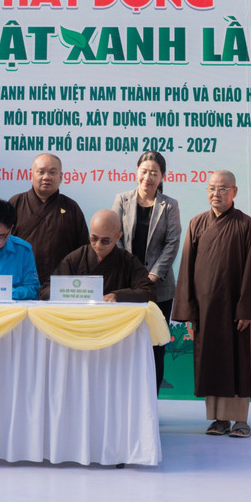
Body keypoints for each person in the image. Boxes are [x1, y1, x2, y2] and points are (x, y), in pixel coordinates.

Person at [172, 170, 251, 438]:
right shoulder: (197, 223)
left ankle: (241, 421)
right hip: (206, 311)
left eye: (223, 188)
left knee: (239, 362)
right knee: (211, 363)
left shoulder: (245, 225)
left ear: (234, 191)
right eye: (212, 188)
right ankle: (219, 419)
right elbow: (186, 269)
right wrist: (189, 312)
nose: (216, 193)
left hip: (236, 311)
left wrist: (247, 309)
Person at [112, 150, 182, 392]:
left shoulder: (169, 205)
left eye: (154, 173)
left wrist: (152, 276)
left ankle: (151, 400)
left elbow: (172, 243)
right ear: (136, 172)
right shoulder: (122, 200)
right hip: (127, 286)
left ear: (162, 176)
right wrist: (133, 275)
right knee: (126, 343)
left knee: (156, 345)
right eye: (144, 171)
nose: (148, 177)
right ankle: (126, 398)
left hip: (159, 288)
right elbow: (115, 238)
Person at [9, 153, 88, 291]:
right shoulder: (16, 203)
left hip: (61, 287)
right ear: (31, 175)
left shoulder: (71, 207)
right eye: (41, 172)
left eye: (52, 172)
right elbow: (1, 244)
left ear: (61, 177)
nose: (46, 177)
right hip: (20, 285)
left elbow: (83, 251)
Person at [47, 210, 156, 302]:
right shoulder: (76, 258)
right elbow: (46, 290)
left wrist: (117, 296)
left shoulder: (128, 261)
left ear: (118, 237)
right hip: (81, 317)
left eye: (105, 241)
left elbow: (149, 292)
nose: (98, 245)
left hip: (115, 319)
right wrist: (73, 294)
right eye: (94, 238)